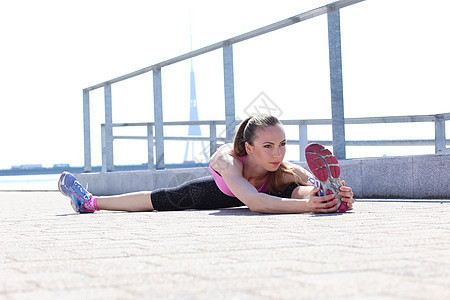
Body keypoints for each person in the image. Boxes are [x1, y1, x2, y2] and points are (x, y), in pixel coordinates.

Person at [58, 115, 354, 214]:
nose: (277, 153)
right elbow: (252, 202)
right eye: (268, 146)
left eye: (282, 144)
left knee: (297, 183)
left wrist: (325, 197)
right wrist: (306, 208)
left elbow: (299, 184)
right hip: (226, 189)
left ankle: (326, 193)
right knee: (166, 198)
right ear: (248, 148)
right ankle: (91, 201)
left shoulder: (283, 167)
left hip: (269, 184)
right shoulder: (228, 161)